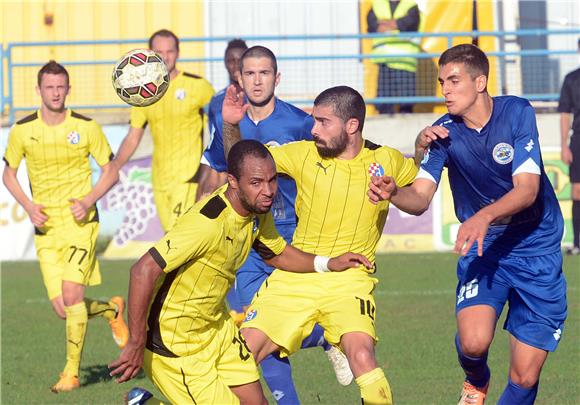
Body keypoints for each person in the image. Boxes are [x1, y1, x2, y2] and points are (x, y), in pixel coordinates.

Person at [369, 44, 568, 405]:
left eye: (454, 80)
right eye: (442, 81)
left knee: (524, 375)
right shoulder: (442, 134)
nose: (444, 89)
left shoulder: (517, 112)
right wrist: (395, 192)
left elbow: (527, 190)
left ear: (480, 82)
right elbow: (420, 199)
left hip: (536, 247)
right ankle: (476, 380)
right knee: (474, 343)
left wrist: (482, 215)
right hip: (487, 247)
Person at [108, 140, 371, 405]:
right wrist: (135, 342)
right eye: (256, 182)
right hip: (176, 345)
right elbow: (143, 270)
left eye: (272, 180)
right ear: (233, 181)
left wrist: (328, 263)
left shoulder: (257, 210)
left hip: (216, 328)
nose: (267, 191)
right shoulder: (206, 224)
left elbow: (276, 253)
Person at [222, 84, 418, 405]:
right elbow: (242, 163)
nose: (313, 130)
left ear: (351, 126)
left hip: (350, 281)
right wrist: (231, 125)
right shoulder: (302, 154)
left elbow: (419, 191)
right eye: (314, 120)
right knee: (239, 357)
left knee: (362, 356)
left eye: (323, 122)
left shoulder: (387, 160)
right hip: (295, 276)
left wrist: (422, 150)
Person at [200, 45, 354, 404]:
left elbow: (333, 163)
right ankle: (326, 341)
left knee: (283, 322)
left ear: (276, 78)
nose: (256, 80)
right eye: (249, 73)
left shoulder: (299, 123)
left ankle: (329, 336)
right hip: (249, 244)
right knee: (259, 328)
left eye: (264, 73)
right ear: (238, 77)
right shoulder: (229, 121)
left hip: (293, 237)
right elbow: (220, 170)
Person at [2, 61, 128, 393]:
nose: (56, 93)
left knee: (72, 296)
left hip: (80, 224)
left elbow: (111, 170)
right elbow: (9, 174)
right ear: (39, 90)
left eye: (61, 87)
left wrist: (88, 200)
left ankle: (71, 374)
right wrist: (29, 207)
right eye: (50, 87)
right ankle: (111, 308)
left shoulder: (86, 127)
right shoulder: (22, 129)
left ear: (68, 90)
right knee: (63, 309)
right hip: (46, 229)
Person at [115, 29, 215, 232]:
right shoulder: (144, 93)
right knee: (170, 238)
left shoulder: (197, 86)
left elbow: (220, 126)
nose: (166, 56)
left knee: (179, 238)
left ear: (178, 53)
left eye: (170, 51)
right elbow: (133, 137)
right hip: (160, 179)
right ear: (151, 55)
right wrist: (114, 165)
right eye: (159, 51)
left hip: (189, 178)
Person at [367, 0, 421, 114]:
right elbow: (372, 26)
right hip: (385, 60)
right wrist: (396, 24)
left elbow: (410, 23)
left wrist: (384, 24)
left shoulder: (410, 5)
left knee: (406, 100)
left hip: (405, 61)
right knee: (384, 99)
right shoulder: (377, 5)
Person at [558, 38, 580, 255]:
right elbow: (565, 114)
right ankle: (578, 242)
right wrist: (564, 145)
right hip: (579, 141)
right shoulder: (572, 79)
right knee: (577, 191)